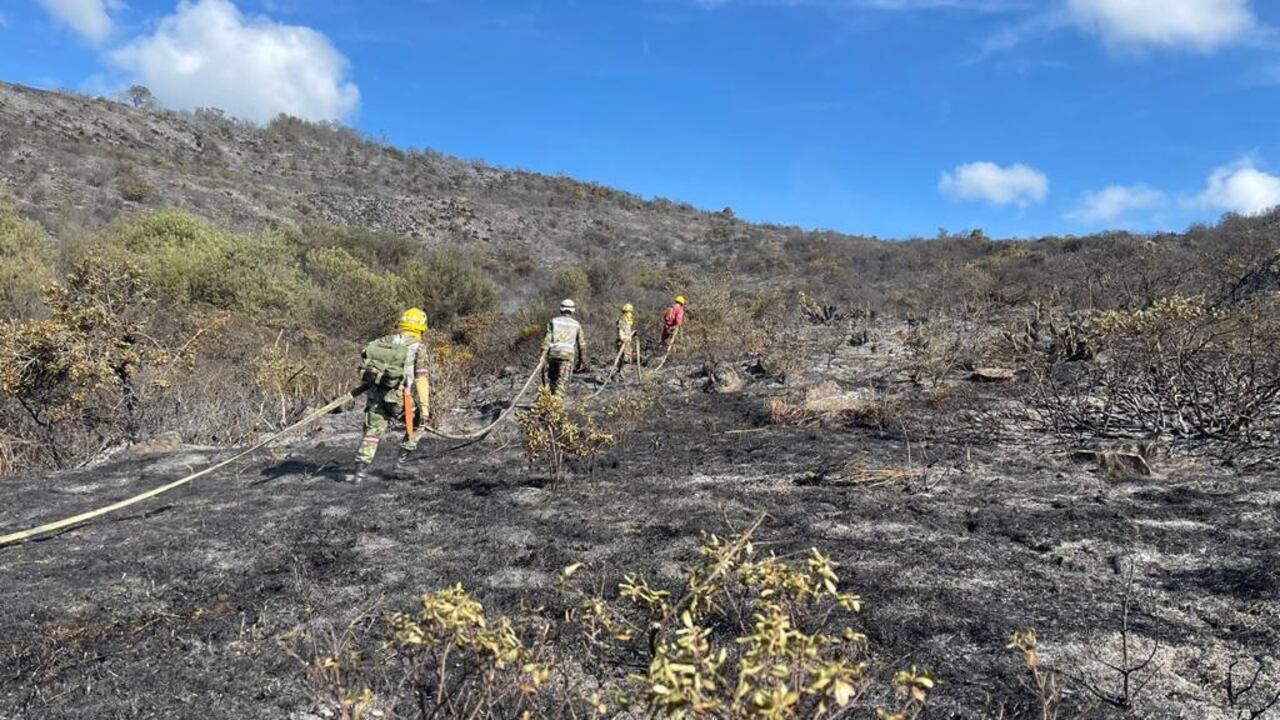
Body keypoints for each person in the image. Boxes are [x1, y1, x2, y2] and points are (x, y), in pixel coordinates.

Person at [349, 308, 431, 483]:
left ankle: (359, 473)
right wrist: (424, 408)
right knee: (418, 423)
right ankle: (400, 463)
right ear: (421, 328)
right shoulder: (418, 348)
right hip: (399, 398)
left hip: (375, 394)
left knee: (373, 430)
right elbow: (421, 379)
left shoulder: (383, 341)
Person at [542, 299, 584, 397]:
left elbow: (547, 340)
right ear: (573, 310)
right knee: (562, 382)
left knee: (552, 379)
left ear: (561, 308)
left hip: (553, 354)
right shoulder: (576, 324)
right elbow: (581, 344)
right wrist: (582, 361)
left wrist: (543, 355)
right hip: (567, 356)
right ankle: (556, 405)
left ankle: (549, 402)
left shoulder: (553, 321)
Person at [615, 302, 636, 371]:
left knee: (628, 356)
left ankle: (624, 372)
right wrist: (623, 338)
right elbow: (620, 330)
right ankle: (621, 372)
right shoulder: (622, 320)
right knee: (624, 358)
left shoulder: (628, 320)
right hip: (622, 343)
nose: (629, 314)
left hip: (627, 343)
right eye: (628, 312)